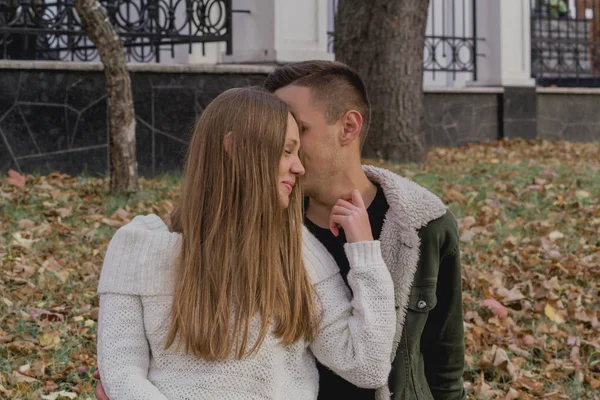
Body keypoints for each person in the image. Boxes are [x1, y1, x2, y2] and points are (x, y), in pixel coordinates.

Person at [95, 87, 397, 399]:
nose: (299, 168)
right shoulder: (139, 247)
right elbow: (121, 372)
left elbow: (367, 366)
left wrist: (364, 251)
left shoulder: (298, 252)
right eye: (286, 151)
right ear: (235, 147)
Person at [263, 61, 466, 400]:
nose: (284, 147)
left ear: (348, 127)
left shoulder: (425, 226)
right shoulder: (266, 223)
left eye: (300, 131)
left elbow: (444, 359)